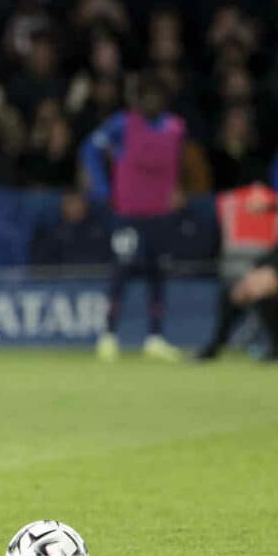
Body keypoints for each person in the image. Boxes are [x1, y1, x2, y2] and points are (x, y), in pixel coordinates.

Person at [80, 73, 186, 362]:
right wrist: (102, 188)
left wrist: (176, 190)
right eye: (145, 95)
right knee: (121, 272)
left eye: (156, 95)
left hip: (161, 215)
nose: (150, 101)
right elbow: (90, 149)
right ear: (138, 99)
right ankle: (109, 336)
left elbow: (174, 169)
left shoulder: (176, 128)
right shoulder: (123, 124)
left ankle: (155, 338)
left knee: (158, 275)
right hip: (129, 215)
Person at [196, 141, 278, 361]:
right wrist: (270, 206)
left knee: (257, 287)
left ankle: (217, 347)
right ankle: (275, 349)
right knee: (246, 289)